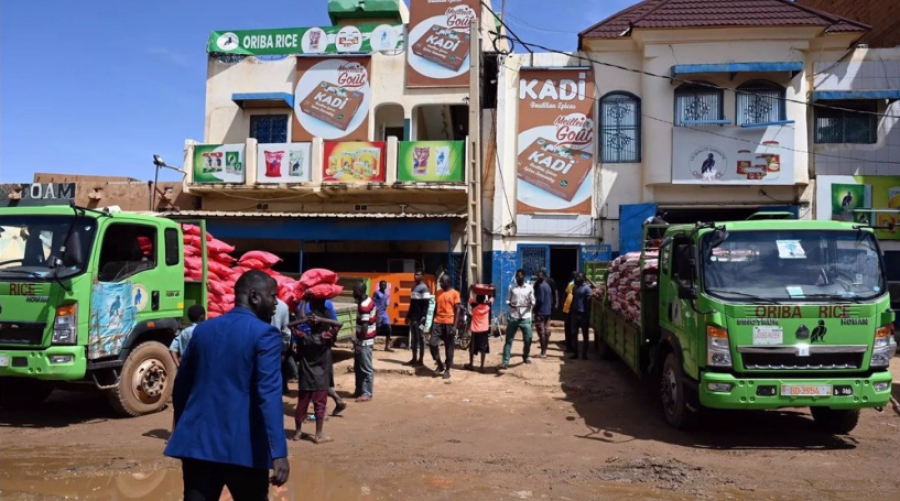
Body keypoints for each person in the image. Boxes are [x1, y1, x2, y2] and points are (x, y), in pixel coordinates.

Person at [165, 270, 289, 501]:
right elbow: (269, 394)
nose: (276, 303)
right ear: (254, 296)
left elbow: (181, 386)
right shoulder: (266, 335)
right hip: (245, 449)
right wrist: (278, 451)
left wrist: (185, 429)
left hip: (197, 446)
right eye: (272, 296)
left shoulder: (202, 331)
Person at [292, 299, 342, 444]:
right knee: (320, 405)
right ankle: (318, 435)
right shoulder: (325, 337)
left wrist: (304, 319)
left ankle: (298, 432)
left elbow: (289, 325)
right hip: (321, 376)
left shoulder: (303, 338)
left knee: (302, 404)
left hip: (305, 375)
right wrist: (322, 319)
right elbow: (338, 324)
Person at [295, 293, 347, 417]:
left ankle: (322, 412)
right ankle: (336, 402)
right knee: (321, 378)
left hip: (313, 342)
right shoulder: (324, 305)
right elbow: (336, 323)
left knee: (317, 380)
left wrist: (303, 302)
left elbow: (299, 321)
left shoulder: (311, 305)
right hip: (318, 342)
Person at [502, 269, 535, 369]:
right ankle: (505, 361)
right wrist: (510, 304)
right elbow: (507, 300)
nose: (518, 278)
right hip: (514, 317)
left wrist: (530, 304)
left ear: (523, 277)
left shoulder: (529, 288)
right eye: (517, 276)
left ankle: (525, 356)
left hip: (525, 317)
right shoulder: (511, 287)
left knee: (528, 339)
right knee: (509, 339)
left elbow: (533, 301)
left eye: (520, 276)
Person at [430, 275, 460, 379]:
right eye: (440, 282)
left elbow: (458, 310)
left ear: (447, 282)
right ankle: (439, 364)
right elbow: (435, 308)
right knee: (432, 344)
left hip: (449, 323)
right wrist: (431, 323)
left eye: (442, 282)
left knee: (449, 347)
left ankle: (447, 369)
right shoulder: (438, 293)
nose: (441, 284)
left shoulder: (455, 293)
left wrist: (455, 326)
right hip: (437, 322)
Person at [352, 282, 377, 402]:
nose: (352, 292)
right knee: (358, 366)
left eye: (354, 290)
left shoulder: (364, 305)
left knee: (366, 368)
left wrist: (360, 342)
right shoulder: (366, 302)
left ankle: (366, 393)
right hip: (363, 339)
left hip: (365, 341)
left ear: (359, 291)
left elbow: (365, 325)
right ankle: (360, 389)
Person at [405, 271, 430, 366]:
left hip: (420, 318)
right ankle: (414, 358)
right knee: (414, 339)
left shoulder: (424, 288)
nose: (415, 276)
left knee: (421, 338)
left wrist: (424, 316)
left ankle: (421, 360)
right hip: (413, 317)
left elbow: (426, 304)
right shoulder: (413, 288)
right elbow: (412, 304)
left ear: (422, 276)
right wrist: (408, 316)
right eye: (415, 274)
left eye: (418, 274)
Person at [465, 289, 493, 372]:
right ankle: (482, 367)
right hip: (484, 330)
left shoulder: (474, 305)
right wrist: (491, 290)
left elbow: (467, 297)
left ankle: (471, 364)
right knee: (483, 349)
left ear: (476, 299)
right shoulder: (487, 306)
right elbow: (493, 297)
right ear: (484, 299)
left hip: (475, 330)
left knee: (472, 348)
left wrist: (470, 289)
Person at [272, 298, 296, 394]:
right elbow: (286, 332)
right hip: (276, 344)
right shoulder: (283, 306)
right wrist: (284, 349)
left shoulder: (251, 304)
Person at [569, 272, 593, 360]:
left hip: (583, 315)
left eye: (579, 276)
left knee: (585, 335)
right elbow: (573, 300)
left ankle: (584, 355)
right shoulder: (575, 288)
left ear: (583, 278)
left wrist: (587, 315)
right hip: (575, 314)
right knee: (574, 334)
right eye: (576, 277)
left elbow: (589, 303)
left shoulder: (587, 289)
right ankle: (575, 353)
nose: (577, 278)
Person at [533, 271, 553, 359]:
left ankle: (543, 352)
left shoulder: (541, 286)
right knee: (546, 331)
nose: (538, 277)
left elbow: (540, 300)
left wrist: (535, 309)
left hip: (541, 312)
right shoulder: (548, 286)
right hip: (547, 311)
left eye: (539, 275)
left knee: (542, 332)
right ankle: (545, 351)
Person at [372, 280, 394, 352]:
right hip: (377, 313)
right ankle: (370, 344)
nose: (383, 286)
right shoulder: (376, 293)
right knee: (376, 329)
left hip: (384, 313)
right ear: (379, 286)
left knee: (388, 328)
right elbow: (373, 303)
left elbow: (387, 303)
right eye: (382, 285)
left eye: (384, 285)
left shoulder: (387, 295)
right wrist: (375, 312)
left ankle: (387, 346)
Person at [562, 271, 577, 354]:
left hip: (575, 310)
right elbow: (566, 294)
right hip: (568, 309)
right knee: (568, 328)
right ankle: (569, 346)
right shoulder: (571, 284)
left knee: (572, 329)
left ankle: (572, 346)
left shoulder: (581, 286)